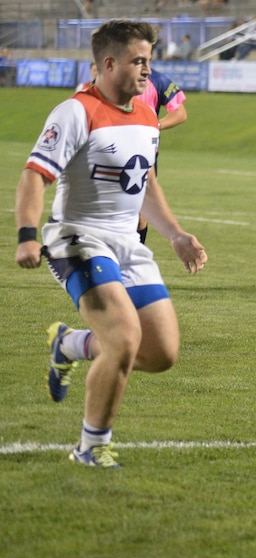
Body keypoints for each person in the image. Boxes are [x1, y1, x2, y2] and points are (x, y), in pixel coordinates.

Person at [14, 19, 207, 469]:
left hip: (128, 245)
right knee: (123, 339)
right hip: (76, 239)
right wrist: (26, 236)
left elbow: (146, 182)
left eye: (150, 61)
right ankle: (90, 446)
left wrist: (175, 234)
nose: (147, 71)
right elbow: (34, 175)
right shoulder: (76, 112)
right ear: (109, 62)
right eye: (139, 61)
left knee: (160, 354)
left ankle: (71, 345)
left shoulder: (144, 114)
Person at [133, 66, 188, 245]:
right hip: (112, 148)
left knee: (141, 214)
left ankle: (134, 259)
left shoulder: (158, 80)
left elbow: (180, 113)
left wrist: (154, 125)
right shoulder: (113, 79)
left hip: (145, 153)